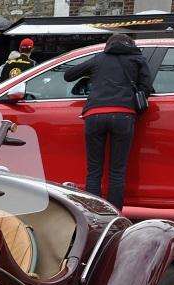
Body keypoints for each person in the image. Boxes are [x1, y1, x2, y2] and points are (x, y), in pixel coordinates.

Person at [64, 32, 154, 210]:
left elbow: (68, 75)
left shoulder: (99, 58)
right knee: (117, 172)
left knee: (94, 171)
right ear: (131, 45)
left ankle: (93, 214)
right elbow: (146, 87)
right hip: (123, 115)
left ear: (109, 45)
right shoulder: (138, 59)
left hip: (94, 115)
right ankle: (113, 215)